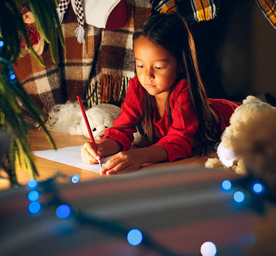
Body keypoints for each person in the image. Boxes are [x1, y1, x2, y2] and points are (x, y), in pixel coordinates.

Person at [81, 12, 241, 174]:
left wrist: (140, 155)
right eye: (140, 66)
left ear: (181, 65)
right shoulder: (138, 88)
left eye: (158, 67)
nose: (147, 76)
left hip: (233, 113)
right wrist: (99, 148)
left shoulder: (183, 92)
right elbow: (121, 130)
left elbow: (179, 142)